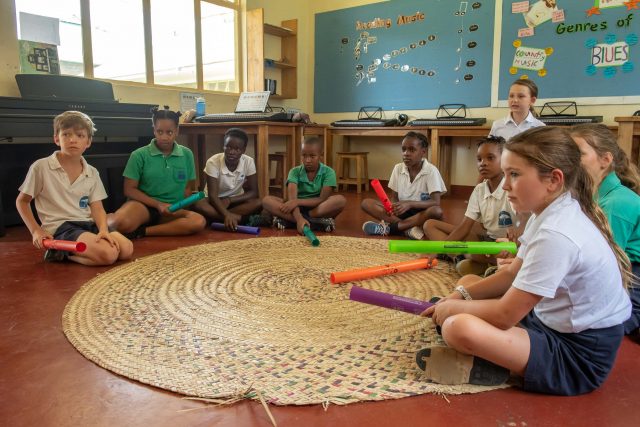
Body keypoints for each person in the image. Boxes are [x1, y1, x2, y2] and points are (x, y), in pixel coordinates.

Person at [417, 126, 632, 396]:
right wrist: (458, 295)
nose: (505, 184)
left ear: (553, 180)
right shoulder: (547, 212)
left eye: (514, 174)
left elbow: (507, 314)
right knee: (468, 281)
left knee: (457, 327)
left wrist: (452, 310)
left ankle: (492, 365)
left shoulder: (556, 233)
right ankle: (493, 355)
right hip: (548, 322)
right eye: (506, 174)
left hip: (578, 354)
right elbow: (510, 275)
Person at [16, 111, 133, 265]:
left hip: (86, 223)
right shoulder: (41, 167)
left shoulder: (92, 172)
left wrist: (103, 229)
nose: (73, 140)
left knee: (126, 249)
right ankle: (57, 251)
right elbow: (22, 201)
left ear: (88, 142)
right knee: (109, 254)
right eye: (66, 134)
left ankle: (78, 250)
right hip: (61, 228)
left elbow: (97, 207)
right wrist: (36, 230)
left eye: (80, 135)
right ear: (56, 138)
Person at [570, 123, 640, 337]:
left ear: (605, 160)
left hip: (632, 276)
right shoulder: (591, 195)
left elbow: (607, 267)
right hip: (618, 271)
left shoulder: (616, 203)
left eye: (578, 154)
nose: (570, 161)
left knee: (595, 326)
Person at [424, 136, 522, 276]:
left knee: (470, 256)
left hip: (508, 246)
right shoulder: (479, 190)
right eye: (479, 159)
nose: (483, 163)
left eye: (490, 158)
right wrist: (438, 249)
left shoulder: (512, 188)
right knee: (432, 226)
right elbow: (464, 227)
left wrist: (518, 229)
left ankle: (468, 260)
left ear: (505, 161)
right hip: (488, 242)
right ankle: (471, 260)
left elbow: (526, 220)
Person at [107, 106, 206, 238]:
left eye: (169, 132)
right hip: (143, 207)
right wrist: (158, 204)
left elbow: (187, 188)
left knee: (198, 221)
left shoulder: (187, 154)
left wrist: (179, 208)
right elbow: (129, 190)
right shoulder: (139, 155)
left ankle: (142, 232)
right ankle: (109, 223)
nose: (164, 137)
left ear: (177, 131)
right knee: (118, 223)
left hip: (172, 209)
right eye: (159, 132)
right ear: (153, 130)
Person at [361, 131, 445, 240]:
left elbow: (435, 202)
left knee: (436, 211)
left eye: (412, 149)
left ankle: (391, 229)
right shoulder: (398, 168)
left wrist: (409, 204)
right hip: (401, 212)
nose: (406, 153)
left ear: (423, 152)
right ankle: (408, 230)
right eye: (403, 149)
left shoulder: (431, 171)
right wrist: (392, 208)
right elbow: (395, 197)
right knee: (366, 203)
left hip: (421, 214)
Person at [262, 137, 346, 234]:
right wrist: (299, 217)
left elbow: (321, 199)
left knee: (340, 200)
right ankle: (315, 223)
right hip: (294, 209)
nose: (307, 160)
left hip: (317, 208)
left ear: (321, 156)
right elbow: (292, 199)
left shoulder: (329, 172)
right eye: (304, 156)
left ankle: (290, 221)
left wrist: (298, 202)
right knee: (267, 201)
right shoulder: (294, 171)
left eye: (312, 156)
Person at [192, 128, 265, 230]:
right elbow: (213, 196)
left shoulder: (248, 162)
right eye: (228, 147)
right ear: (223, 146)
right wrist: (226, 214)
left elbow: (254, 192)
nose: (231, 152)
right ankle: (239, 219)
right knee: (199, 204)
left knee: (259, 202)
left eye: (237, 149)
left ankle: (215, 219)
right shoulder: (213, 162)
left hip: (235, 200)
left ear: (243, 150)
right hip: (214, 201)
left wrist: (230, 200)